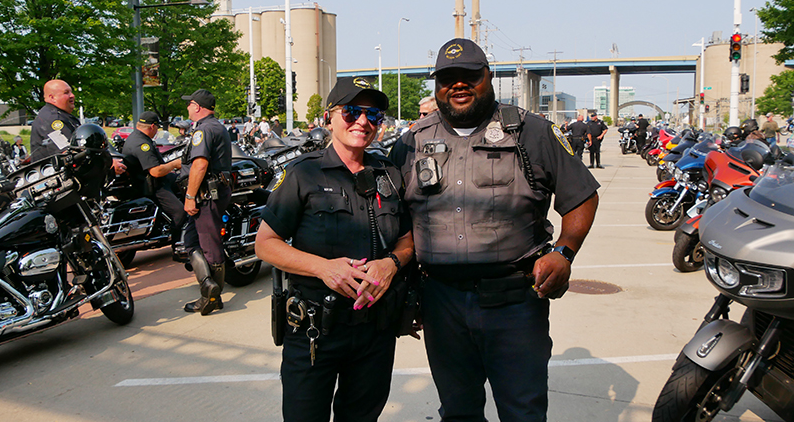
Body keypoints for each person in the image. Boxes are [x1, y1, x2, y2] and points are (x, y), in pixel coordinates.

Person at [389, 38, 599, 422]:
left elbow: (582, 195)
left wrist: (565, 251)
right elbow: (397, 219)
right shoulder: (410, 143)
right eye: (447, 78)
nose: (458, 85)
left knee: (522, 411)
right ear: (437, 86)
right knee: (458, 411)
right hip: (441, 303)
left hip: (514, 301)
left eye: (470, 75)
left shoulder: (530, 132)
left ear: (489, 77)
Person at [255, 77, 414, 422]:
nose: (363, 122)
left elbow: (407, 238)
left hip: (375, 332)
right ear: (329, 117)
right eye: (352, 112)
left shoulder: (389, 173)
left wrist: (390, 264)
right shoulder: (303, 174)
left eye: (373, 115)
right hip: (316, 330)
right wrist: (322, 268)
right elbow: (265, 244)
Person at [179, 89, 232, 315]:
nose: (188, 109)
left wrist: (190, 197)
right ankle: (208, 287)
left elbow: (200, 164)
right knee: (191, 240)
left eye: (189, 104)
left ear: (197, 106)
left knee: (209, 245)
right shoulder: (216, 126)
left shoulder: (204, 130)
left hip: (206, 195)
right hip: (214, 191)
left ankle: (211, 297)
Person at [31, 79, 126, 173]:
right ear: (52, 98)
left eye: (71, 92)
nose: (72, 95)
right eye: (66, 93)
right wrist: (108, 164)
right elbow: (71, 154)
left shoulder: (63, 115)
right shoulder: (52, 120)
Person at [121, 111, 186, 245]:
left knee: (184, 180)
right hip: (152, 186)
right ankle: (179, 246)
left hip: (154, 181)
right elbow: (156, 171)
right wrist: (175, 164)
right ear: (152, 126)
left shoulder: (135, 138)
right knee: (180, 212)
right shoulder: (142, 144)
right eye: (157, 127)